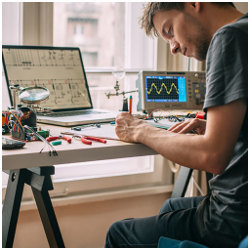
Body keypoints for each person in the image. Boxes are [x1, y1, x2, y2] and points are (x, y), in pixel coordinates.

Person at [105, 2, 248, 248]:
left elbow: (212, 156)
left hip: (232, 218)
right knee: (171, 206)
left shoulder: (229, 38)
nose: (173, 48)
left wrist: (140, 130)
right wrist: (220, 128)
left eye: (170, 30)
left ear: (194, 4)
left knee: (119, 233)